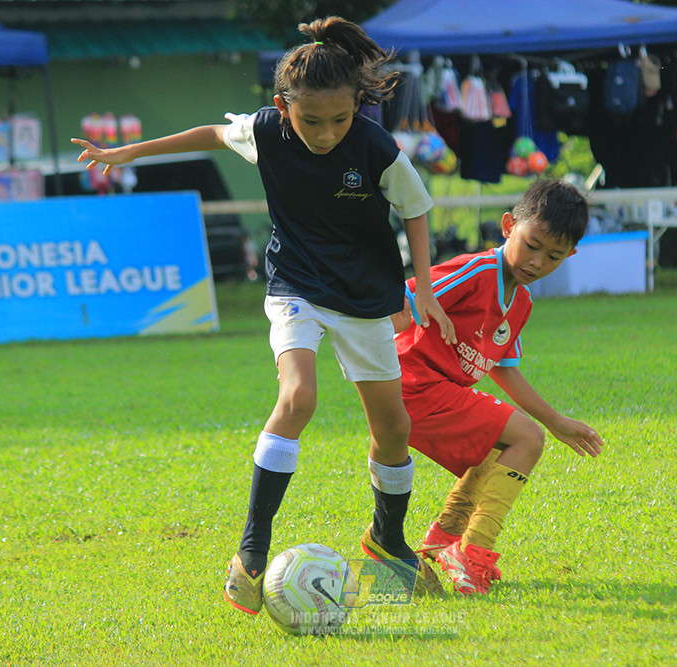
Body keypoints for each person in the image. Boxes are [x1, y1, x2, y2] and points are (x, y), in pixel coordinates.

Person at [71, 16, 456, 614]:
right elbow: (206, 134)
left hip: (363, 296)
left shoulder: (378, 147)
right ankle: (251, 553)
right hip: (296, 284)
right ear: (282, 107)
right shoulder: (266, 130)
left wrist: (424, 287)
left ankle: (386, 540)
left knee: (395, 431)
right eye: (310, 121)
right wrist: (127, 153)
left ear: (357, 104)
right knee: (298, 396)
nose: (326, 133)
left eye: (340, 119)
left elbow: (416, 208)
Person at [391, 179, 605, 594]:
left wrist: (556, 420)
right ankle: (473, 555)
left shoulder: (520, 302)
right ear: (508, 226)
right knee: (526, 437)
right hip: (413, 385)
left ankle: (446, 536)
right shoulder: (477, 271)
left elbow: (504, 369)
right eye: (532, 245)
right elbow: (405, 297)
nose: (537, 262)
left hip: (437, 393)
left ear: (571, 255)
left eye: (554, 256)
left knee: (504, 442)